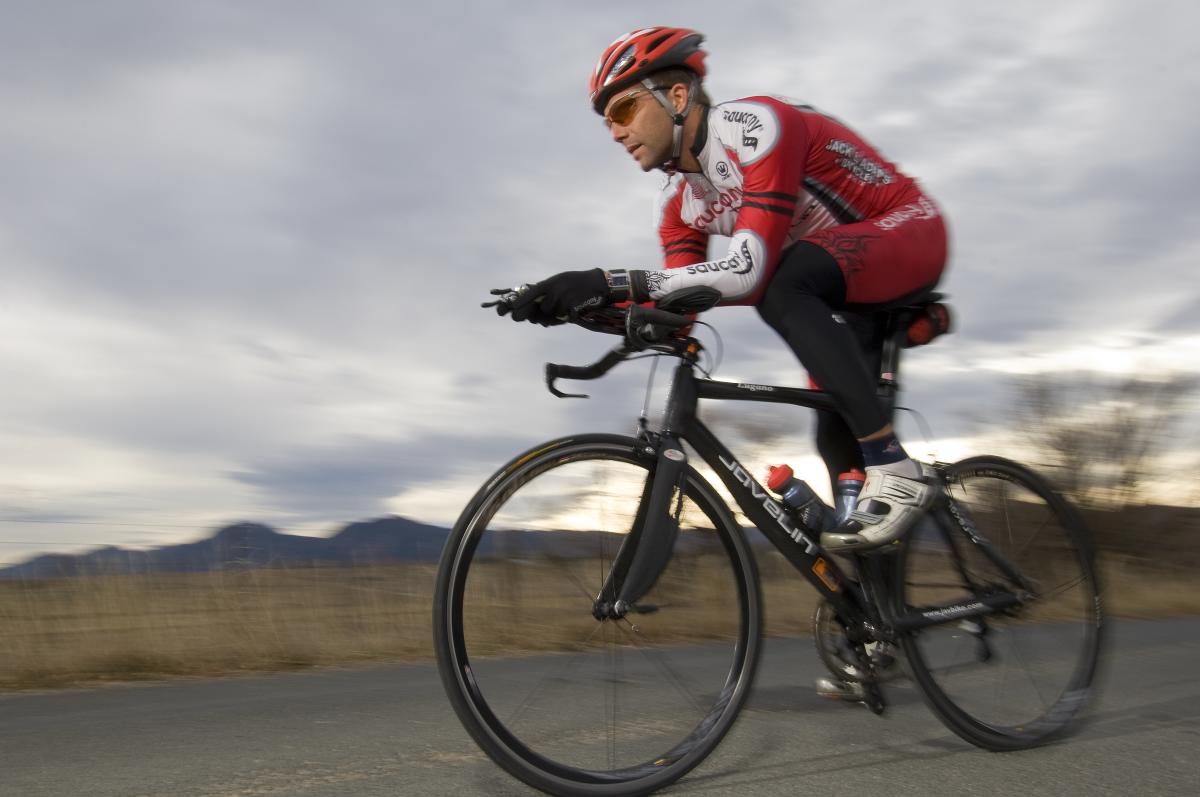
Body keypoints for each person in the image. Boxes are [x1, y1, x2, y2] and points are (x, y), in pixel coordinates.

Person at [497, 26, 948, 554]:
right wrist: (581, 305)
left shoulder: (755, 126)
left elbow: (749, 271)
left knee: (782, 283)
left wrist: (607, 279)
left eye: (622, 111)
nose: (615, 132)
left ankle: (897, 468)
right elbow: (680, 306)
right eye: (606, 123)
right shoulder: (676, 204)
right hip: (834, 287)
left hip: (908, 229)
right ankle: (876, 621)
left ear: (678, 96)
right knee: (832, 429)